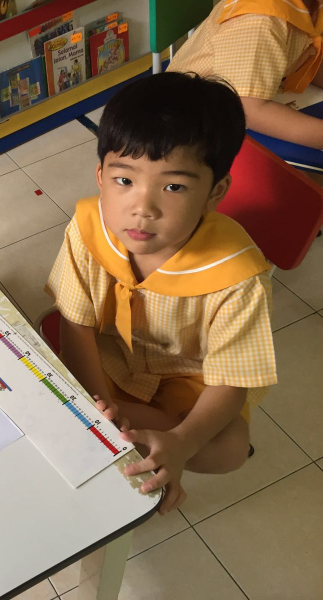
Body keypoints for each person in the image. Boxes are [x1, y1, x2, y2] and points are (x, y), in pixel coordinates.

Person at [45, 72, 277, 514]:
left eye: (173, 186)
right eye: (124, 180)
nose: (142, 208)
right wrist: (101, 412)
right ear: (100, 176)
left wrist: (182, 442)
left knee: (230, 448)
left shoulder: (239, 277)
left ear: (215, 192)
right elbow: (75, 327)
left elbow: (231, 382)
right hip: (112, 362)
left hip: (189, 379)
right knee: (52, 402)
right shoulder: (88, 228)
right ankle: (144, 445)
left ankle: (156, 448)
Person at [167, 0, 323, 149]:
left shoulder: (310, 6)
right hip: (190, 127)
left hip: (237, 106)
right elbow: (248, 110)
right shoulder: (260, 19)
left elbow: (308, 55)